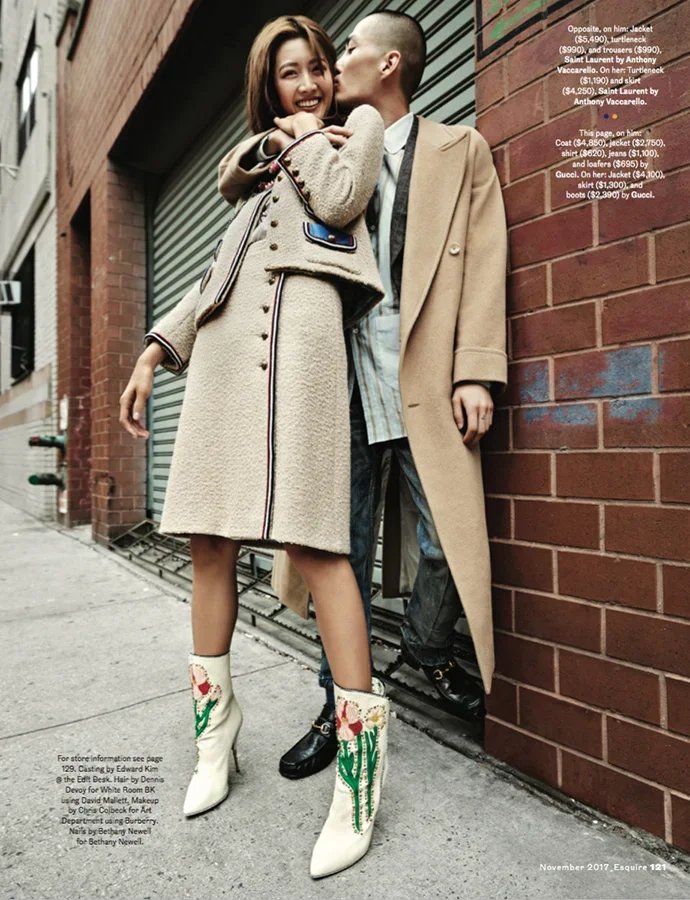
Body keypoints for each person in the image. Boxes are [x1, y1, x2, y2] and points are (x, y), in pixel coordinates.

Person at [119, 15, 391, 879]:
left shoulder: (355, 132)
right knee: (208, 542)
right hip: (227, 364)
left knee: (318, 547)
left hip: (305, 360)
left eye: (317, 68)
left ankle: (359, 772)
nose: (308, 82)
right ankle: (215, 737)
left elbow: (345, 200)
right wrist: (156, 350)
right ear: (266, 85)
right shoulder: (260, 161)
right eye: (290, 75)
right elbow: (218, 269)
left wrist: (309, 136)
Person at [221, 10, 509, 780]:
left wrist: (476, 368)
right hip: (337, 381)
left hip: (419, 376)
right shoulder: (322, 144)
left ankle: (423, 649)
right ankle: (338, 701)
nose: (329, 62)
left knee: (444, 543)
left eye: (346, 49)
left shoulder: (459, 150)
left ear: (387, 65)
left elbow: (484, 257)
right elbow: (238, 189)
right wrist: (290, 139)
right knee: (329, 547)